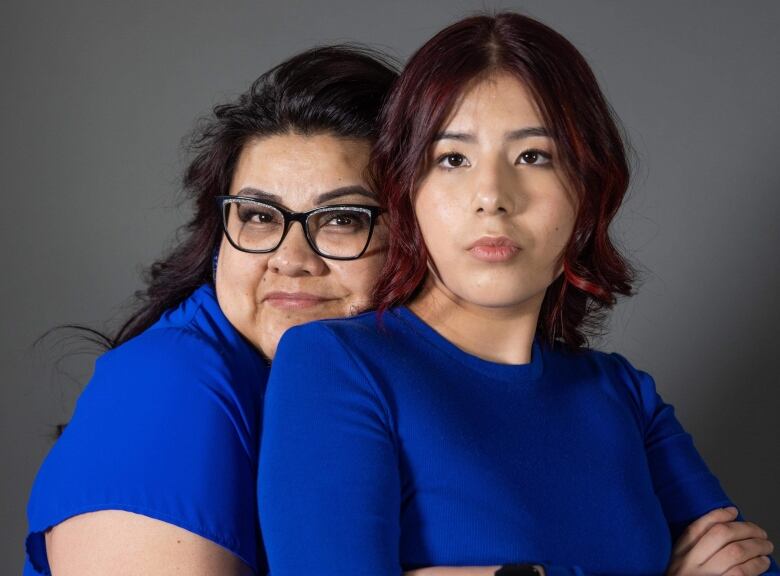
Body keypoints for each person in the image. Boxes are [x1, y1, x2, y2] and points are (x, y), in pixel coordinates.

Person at [258, 13, 778, 576]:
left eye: (534, 156)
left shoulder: (624, 395)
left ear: (587, 189)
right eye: (452, 159)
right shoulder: (336, 365)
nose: (492, 197)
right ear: (408, 192)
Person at [23, 45, 397, 576]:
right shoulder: (169, 386)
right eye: (260, 216)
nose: (290, 260)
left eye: (342, 220)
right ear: (220, 233)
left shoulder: (371, 387)